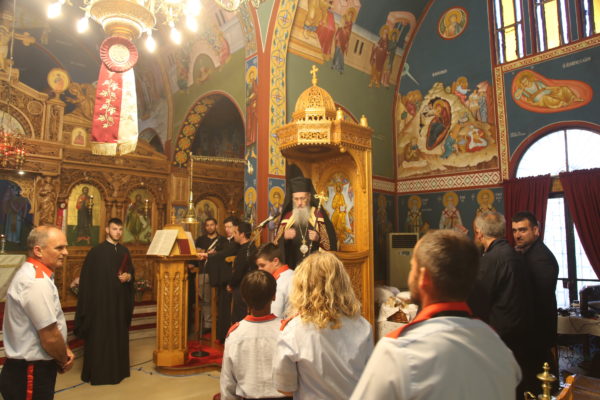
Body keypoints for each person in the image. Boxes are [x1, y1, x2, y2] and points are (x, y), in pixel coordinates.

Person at [351, 230, 521, 400]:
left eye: (412, 267)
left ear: (423, 277)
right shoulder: (499, 349)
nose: (410, 275)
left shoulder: (398, 352)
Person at [272, 252, 373, 399]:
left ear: (302, 286)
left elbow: (285, 387)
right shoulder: (363, 325)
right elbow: (369, 378)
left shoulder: (293, 330)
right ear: (343, 283)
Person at [0, 226, 75, 400]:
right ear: (38, 251)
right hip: (30, 371)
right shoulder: (36, 281)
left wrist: (64, 349)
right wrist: (63, 359)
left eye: (65, 247)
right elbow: (50, 336)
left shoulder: (37, 275)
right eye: (59, 248)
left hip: (32, 369)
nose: (66, 252)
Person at [468, 211, 533, 397]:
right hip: (521, 332)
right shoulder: (516, 254)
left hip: (500, 335)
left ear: (479, 233)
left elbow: (479, 302)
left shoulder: (490, 260)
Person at [74, 218, 135, 385]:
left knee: (117, 336)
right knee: (100, 338)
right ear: (107, 230)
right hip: (100, 306)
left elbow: (131, 273)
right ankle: (99, 373)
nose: (118, 232)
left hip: (119, 304)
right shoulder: (96, 252)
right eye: (114, 229)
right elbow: (87, 280)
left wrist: (128, 277)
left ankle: (118, 371)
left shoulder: (124, 251)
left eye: (120, 229)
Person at [220, 270, 291, 400]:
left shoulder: (235, 334)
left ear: (243, 297)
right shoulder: (286, 330)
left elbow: (228, 381)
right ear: (274, 296)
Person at [512, 211, 559, 380]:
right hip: (529, 332)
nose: (517, 235)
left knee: (540, 379)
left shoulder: (540, 258)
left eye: (523, 230)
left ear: (536, 230)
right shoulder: (525, 252)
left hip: (537, 332)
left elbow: (540, 300)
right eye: (515, 230)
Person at [273, 176, 336, 269]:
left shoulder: (317, 215)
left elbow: (329, 246)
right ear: (292, 199)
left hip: (314, 268)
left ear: (309, 197)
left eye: (303, 198)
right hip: (292, 268)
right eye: (296, 199)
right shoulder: (287, 218)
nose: (299, 203)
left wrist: (318, 238)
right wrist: (284, 238)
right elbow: (275, 247)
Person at [203, 215, 240, 342]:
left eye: (230, 227)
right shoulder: (224, 240)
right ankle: (222, 334)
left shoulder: (236, 241)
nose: (227, 229)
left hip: (231, 279)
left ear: (236, 227)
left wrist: (211, 256)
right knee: (222, 306)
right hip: (223, 279)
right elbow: (219, 251)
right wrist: (212, 254)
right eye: (225, 227)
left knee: (227, 308)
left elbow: (225, 254)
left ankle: (227, 335)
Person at [188, 217, 223, 334]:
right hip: (203, 272)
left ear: (216, 226)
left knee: (218, 299)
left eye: (212, 225)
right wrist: (194, 261)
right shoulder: (200, 240)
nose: (210, 227)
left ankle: (218, 323)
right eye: (207, 225)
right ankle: (208, 324)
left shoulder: (222, 240)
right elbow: (195, 255)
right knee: (205, 299)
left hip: (218, 273)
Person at [228, 220, 257, 324]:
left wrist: (231, 284)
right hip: (249, 287)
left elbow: (239, 272)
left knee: (239, 319)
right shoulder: (252, 247)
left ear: (242, 234)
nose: (234, 235)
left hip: (241, 288)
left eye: (235, 232)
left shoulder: (245, 250)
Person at [256, 243, 294, 318]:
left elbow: (274, 316)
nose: (259, 270)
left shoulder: (277, 284)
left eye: (262, 265)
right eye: (258, 266)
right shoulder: (294, 273)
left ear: (275, 261)